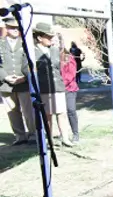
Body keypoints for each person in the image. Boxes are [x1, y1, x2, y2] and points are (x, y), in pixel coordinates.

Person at [29, 24, 72, 147]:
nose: (51, 39)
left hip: (57, 86)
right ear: (39, 38)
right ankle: (50, 139)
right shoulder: (32, 51)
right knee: (47, 115)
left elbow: (59, 67)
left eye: (51, 37)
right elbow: (25, 69)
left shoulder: (54, 50)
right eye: (48, 37)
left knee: (62, 113)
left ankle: (65, 138)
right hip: (44, 88)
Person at [0, 17, 35, 145]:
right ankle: (20, 136)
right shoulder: (1, 43)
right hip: (6, 84)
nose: (15, 30)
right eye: (12, 28)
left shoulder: (25, 43)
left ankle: (32, 134)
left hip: (23, 82)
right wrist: (4, 76)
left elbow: (29, 62)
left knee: (28, 111)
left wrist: (25, 77)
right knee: (12, 112)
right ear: (7, 28)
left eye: (17, 28)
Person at [61, 48, 80, 143]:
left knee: (71, 110)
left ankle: (75, 134)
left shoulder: (69, 58)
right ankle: (63, 135)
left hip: (69, 89)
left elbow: (71, 75)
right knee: (60, 113)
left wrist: (61, 84)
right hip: (55, 89)